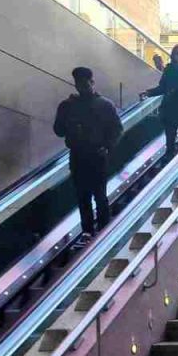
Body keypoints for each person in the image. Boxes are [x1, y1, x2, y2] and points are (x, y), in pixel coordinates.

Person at [54, 67, 123, 241]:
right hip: (84, 155)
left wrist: (107, 146)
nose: (83, 87)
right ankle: (94, 232)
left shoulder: (101, 105)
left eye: (85, 84)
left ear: (92, 83)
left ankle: (97, 231)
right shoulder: (70, 106)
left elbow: (116, 129)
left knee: (93, 195)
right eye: (80, 84)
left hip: (92, 155)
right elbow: (59, 130)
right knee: (88, 195)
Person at [142, 44, 178, 158]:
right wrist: (148, 93)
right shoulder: (169, 70)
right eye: (177, 53)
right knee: (170, 139)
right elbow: (162, 87)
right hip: (170, 108)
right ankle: (169, 159)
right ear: (173, 56)